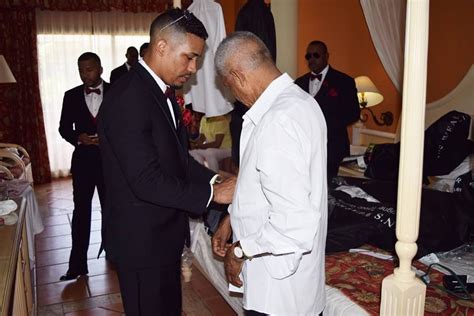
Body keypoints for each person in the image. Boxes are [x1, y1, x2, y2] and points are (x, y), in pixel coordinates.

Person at [97, 8, 235, 315]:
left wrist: (215, 180)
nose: (194, 67)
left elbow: (178, 159)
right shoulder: (129, 97)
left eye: (197, 58)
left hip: (163, 238)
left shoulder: (162, 92)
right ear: (161, 47)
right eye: (189, 57)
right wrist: (213, 195)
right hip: (141, 243)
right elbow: (145, 180)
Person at [212, 32, 328, 316]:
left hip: (278, 294)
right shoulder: (300, 102)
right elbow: (268, 186)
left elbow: (294, 223)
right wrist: (233, 215)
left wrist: (239, 251)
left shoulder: (278, 120)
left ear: (238, 77)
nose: (235, 97)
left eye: (229, 87)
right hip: (292, 287)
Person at [58, 52, 109, 281]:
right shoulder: (70, 96)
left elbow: (125, 124)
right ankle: (77, 264)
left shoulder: (116, 92)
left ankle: (115, 253)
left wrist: (107, 138)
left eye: (88, 69)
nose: (84, 74)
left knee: (112, 209)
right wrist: (79, 138)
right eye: (80, 70)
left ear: (100, 68)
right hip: (83, 163)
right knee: (81, 212)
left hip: (110, 163)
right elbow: (63, 128)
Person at [295, 40, 360, 178]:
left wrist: (325, 124)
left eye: (316, 55)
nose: (311, 59)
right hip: (305, 150)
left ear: (326, 56)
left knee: (333, 192)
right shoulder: (299, 83)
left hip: (333, 148)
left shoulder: (344, 81)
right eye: (308, 56)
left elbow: (353, 113)